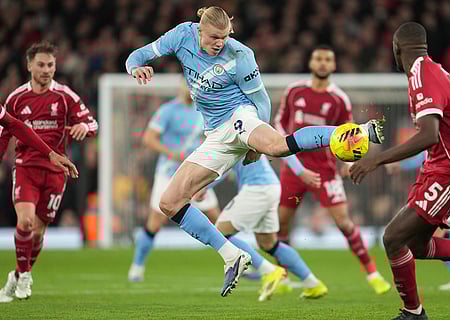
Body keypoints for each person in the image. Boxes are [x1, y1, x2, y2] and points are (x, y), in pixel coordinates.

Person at [126, 6, 384, 297]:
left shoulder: (241, 55)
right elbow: (136, 56)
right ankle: (232, 256)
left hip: (240, 116)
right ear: (200, 29)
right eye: (213, 37)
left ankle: (356, 130)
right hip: (214, 135)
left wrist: (255, 147)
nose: (219, 43)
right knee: (169, 203)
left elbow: (262, 102)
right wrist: (136, 68)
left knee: (277, 145)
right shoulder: (180, 36)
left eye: (224, 37)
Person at [350, 22, 450, 320]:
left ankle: (413, 313)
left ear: (397, 49)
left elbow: (429, 135)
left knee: (393, 238)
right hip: (443, 168)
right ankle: (414, 312)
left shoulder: (422, 75)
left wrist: (376, 159)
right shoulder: (434, 71)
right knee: (416, 246)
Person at [274, 46, 391, 295]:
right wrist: (291, 161)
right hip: (294, 169)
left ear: (334, 65)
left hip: (325, 171)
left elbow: (350, 137)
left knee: (345, 223)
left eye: (328, 59)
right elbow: (279, 123)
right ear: (311, 61)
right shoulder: (294, 91)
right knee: (282, 223)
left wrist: (347, 165)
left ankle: (372, 272)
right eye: (319, 58)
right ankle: (283, 273)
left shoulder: (339, 99)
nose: (323, 63)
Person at [0, 40, 97, 302]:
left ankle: (19, 275)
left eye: (51, 64)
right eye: (41, 64)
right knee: (26, 222)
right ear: (29, 65)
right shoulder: (16, 98)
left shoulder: (65, 96)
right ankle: (25, 276)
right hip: (26, 167)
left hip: (56, 171)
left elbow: (92, 122)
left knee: (39, 233)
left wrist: (84, 129)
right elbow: (6, 132)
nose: (46, 69)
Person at [128, 79, 220, 282]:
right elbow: (149, 139)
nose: (190, 89)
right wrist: (172, 153)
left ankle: (236, 260)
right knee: (156, 220)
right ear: (180, 86)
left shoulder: (202, 110)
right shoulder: (167, 110)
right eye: (187, 84)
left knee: (217, 217)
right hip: (169, 173)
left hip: (194, 173)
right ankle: (137, 265)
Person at [215, 155, 328, 301]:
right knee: (269, 244)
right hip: (271, 186)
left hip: (256, 188)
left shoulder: (230, 133)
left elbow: (217, 169)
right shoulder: (243, 133)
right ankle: (313, 284)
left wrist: (200, 187)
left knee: (220, 233)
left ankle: (269, 271)